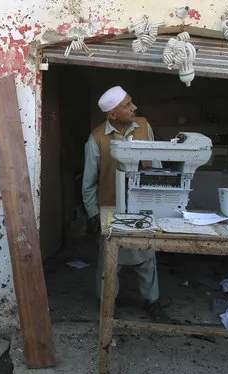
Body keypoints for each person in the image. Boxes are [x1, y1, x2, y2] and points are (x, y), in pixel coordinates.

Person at [81, 86, 166, 321]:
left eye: (132, 102)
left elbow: (156, 163)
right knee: (109, 260)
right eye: (127, 105)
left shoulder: (144, 126)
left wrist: (162, 200)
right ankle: (107, 302)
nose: (134, 108)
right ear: (112, 115)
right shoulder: (97, 138)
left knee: (147, 257)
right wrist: (92, 215)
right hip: (112, 208)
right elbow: (89, 182)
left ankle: (152, 301)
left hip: (143, 206)